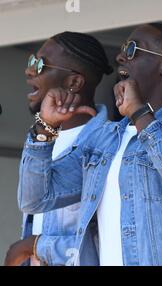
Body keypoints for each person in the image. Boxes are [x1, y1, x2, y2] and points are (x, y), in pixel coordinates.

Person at [17, 23, 162, 266]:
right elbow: (36, 199)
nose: (120, 56)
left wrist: (140, 113)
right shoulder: (106, 137)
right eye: (122, 49)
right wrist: (43, 129)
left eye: (132, 49)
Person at [4, 32, 112, 266]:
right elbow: (30, 206)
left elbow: (112, 244)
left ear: (74, 82)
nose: (29, 70)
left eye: (40, 64)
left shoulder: (107, 146)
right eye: (32, 61)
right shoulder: (41, 139)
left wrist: (31, 246)